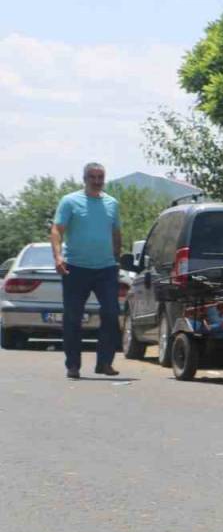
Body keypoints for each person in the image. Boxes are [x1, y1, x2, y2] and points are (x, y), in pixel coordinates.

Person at [50, 162, 122, 379]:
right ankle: (73, 365)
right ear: (85, 179)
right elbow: (56, 230)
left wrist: (117, 258)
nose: (97, 181)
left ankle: (104, 363)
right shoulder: (70, 201)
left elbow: (116, 232)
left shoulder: (112, 203)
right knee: (73, 316)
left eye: (101, 177)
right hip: (76, 268)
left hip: (106, 268)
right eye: (93, 177)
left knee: (111, 313)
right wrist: (58, 256)